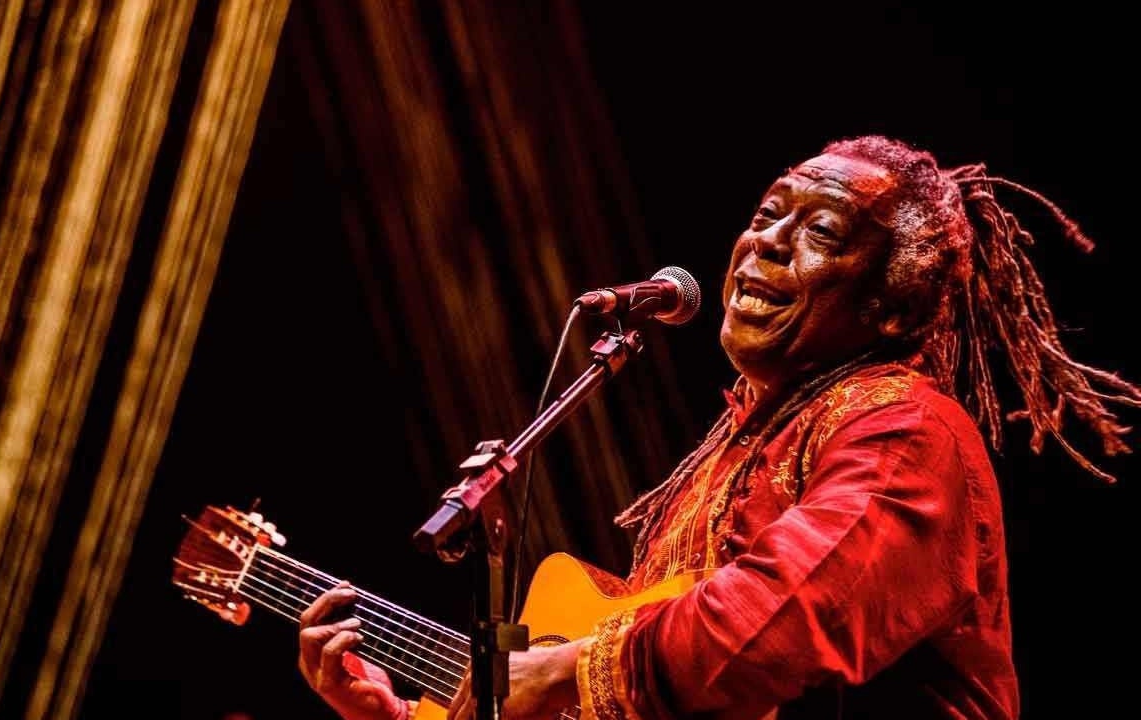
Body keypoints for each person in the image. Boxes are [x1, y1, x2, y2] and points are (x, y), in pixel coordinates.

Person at [296, 135, 1140, 720]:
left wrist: (561, 670)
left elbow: (778, 615)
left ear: (891, 304)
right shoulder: (737, 445)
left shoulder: (906, 432)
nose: (764, 244)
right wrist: (410, 711)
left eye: (819, 233)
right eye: (768, 212)